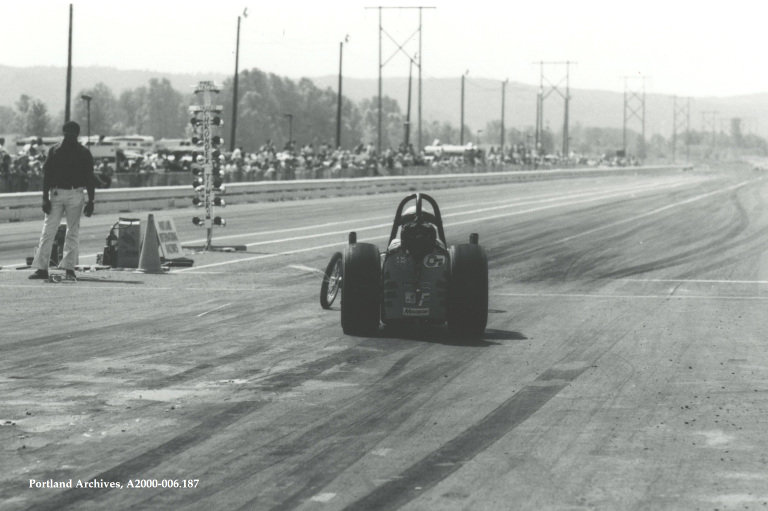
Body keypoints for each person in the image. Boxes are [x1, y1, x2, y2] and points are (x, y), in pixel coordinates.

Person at [29, 121, 95, 281]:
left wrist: (91, 200)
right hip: (57, 193)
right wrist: (45, 198)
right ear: (63, 133)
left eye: (72, 133)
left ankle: (69, 268)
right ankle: (42, 268)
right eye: (67, 133)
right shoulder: (55, 151)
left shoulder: (84, 153)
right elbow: (47, 177)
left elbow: (89, 178)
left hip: (75, 193)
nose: (69, 136)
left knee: (72, 232)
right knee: (48, 231)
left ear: (76, 135)